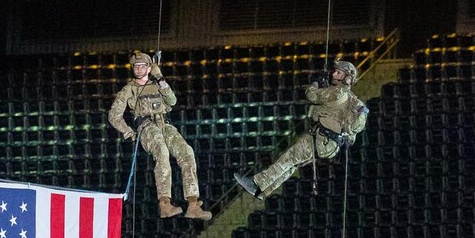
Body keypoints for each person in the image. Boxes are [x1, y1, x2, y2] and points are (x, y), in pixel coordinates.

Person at [235, 58, 368, 199]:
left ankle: (256, 183)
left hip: (322, 139)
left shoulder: (337, 92)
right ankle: (262, 191)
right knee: (292, 163)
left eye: (338, 72)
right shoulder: (350, 97)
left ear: (345, 77)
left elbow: (311, 95)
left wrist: (316, 82)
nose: (333, 74)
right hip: (329, 144)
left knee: (290, 157)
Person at [109, 51, 211, 221]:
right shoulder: (128, 89)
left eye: (143, 66)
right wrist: (129, 132)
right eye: (136, 66)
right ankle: (165, 203)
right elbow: (114, 115)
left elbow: (172, 101)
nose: (139, 69)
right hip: (146, 126)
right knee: (162, 154)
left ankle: (193, 203)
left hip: (165, 123)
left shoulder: (158, 84)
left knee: (187, 152)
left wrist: (160, 77)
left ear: (150, 67)